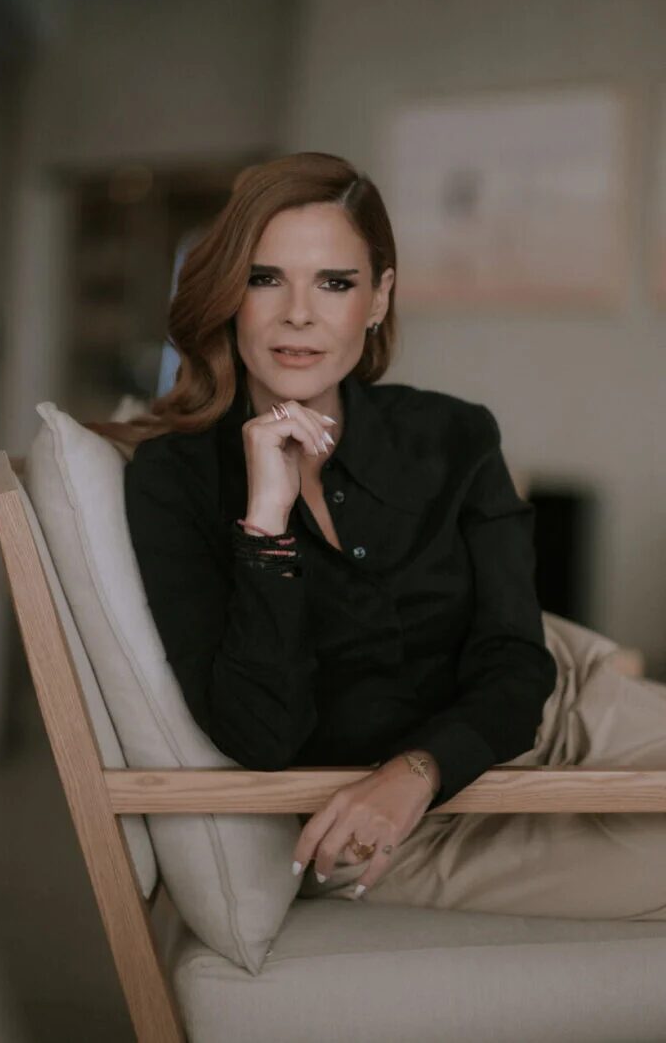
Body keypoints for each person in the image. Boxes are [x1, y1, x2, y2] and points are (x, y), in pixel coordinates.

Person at [86, 152, 666, 920]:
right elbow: (261, 735)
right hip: (390, 831)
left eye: (335, 282)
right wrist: (266, 523)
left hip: (566, 716)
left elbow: (515, 659)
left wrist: (417, 770)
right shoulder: (174, 480)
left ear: (378, 297)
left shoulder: (455, 434)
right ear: (229, 294)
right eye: (265, 279)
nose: (299, 313)